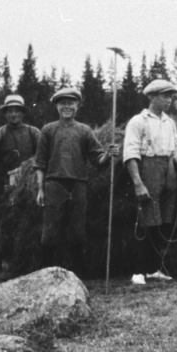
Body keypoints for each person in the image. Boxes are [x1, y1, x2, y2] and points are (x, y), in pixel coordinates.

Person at [123, 78, 177, 285]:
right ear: (151, 97)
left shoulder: (169, 123)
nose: (169, 101)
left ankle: (153, 268)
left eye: (171, 97)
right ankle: (138, 271)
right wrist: (138, 183)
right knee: (147, 220)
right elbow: (130, 154)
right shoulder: (138, 121)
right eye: (165, 96)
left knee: (165, 221)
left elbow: (176, 153)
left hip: (169, 172)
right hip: (148, 170)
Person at [34, 87, 119, 274]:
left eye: (71, 103)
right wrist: (40, 189)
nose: (67, 107)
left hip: (78, 184)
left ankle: (77, 275)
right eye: (62, 103)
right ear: (57, 106)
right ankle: (45, 276)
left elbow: (98, 159)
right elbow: (40, 163)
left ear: (77, 106)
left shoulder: (85, 131)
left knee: (77, 232)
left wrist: (108, 154)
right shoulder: (48, 130)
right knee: (50, 232)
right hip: (54, 185)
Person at [0, 94, 40, 271]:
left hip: (28, 186)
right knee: (0, 222)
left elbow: (42, 159)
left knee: (25, 222)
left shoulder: (34, 133)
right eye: (10, 111)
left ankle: (23, 261)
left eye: (17, 111)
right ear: (5, 114)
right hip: (2, 185)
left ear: (23, 113)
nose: (14, 114)